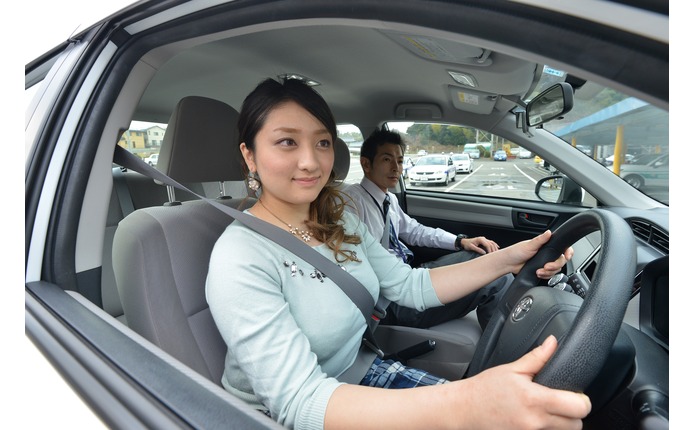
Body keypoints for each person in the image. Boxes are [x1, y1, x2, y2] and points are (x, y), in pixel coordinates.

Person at [206, 78, 589, 429]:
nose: (311, 161)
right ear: (250, 155)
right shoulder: (240, 256)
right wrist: (468, 403)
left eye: (322, 142)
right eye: (287, 142)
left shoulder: (339, 221)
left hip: (362, 372)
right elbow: (299, 402)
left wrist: (510, 257)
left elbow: (410, 285)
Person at [343, 128, 512, 330]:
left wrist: (460, 241)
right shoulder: (350, 202)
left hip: (407, 277)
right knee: (496, 274)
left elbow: (416, 231)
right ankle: (501, 350)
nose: (396, 168)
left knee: (485, 259)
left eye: (400, 160)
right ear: (366, 164)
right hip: (391, 300)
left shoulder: (389, 199)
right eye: (387, 160)